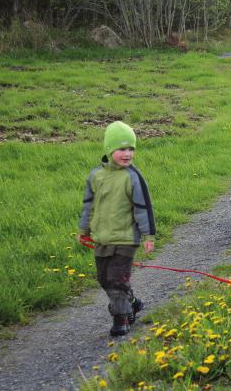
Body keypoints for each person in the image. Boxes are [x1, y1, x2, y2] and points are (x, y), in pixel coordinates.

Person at [78, 121, 155, 337]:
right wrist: (83, 230)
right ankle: (132, 302)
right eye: (122, 149)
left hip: (126, 238)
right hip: (102, 238)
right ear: (109, 149)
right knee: (103, 278)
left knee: (117, 279)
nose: (127, 153)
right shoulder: (96, 176)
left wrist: (149, 235)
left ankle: (121, 318)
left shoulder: (132, 177)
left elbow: (143, 208)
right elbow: (88, 206)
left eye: (131, 149)